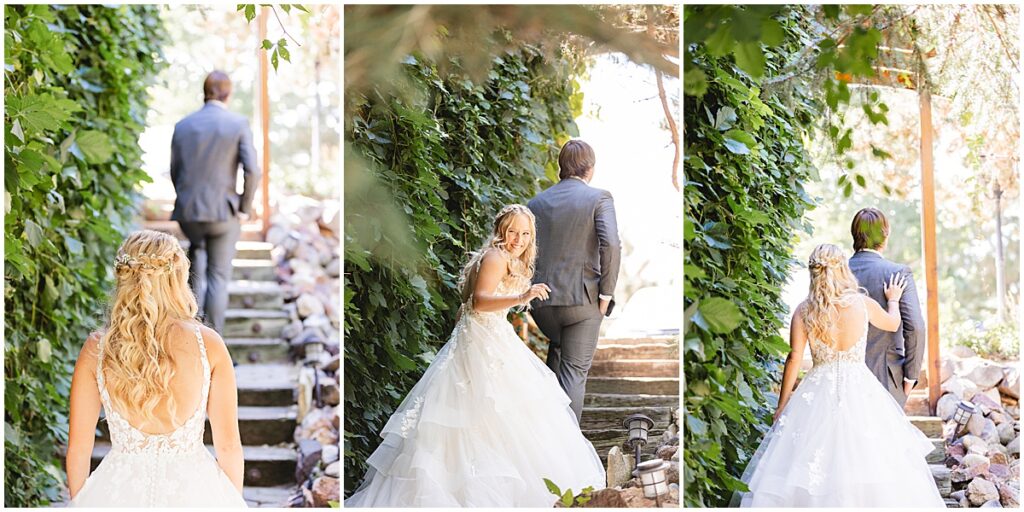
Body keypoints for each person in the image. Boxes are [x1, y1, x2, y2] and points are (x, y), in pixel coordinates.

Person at [346, 205, 605, 507]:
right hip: (482, 339)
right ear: (501, 231)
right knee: (478, 410)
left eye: (525, 233)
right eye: (512, 232)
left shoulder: (510, 259)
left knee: (506, 411)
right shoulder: (495, 256)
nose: (518, 239)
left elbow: (471, 306)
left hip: (491, 336)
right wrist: (523, 296)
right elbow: (480, 302)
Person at [734, 244, 943, 507]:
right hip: (861, 388)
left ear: (813, 273)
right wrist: (892, 300)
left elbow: (794, 359)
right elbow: (893, 324)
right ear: (843, 270)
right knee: (871, 460)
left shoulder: (804, 310)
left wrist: (782, 405)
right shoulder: (862, 303)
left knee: (807, 463)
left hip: (816, 391)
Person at [66, 230, 246, 507]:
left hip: (118, 493)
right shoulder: (208, 344)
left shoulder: (96, 349)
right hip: (195, 493)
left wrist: (80, 503)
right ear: (176, 277)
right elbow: (229, 445)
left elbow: (79, 449)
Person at [528, 139, 621, 422]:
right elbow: (612, 245)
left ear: (560, 168)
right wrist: (605, 294)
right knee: (574, 375)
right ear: (590, 168)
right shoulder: (599, 198)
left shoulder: (535, 203)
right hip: (582, 303)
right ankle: (567, 458)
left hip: (542, 305)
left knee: (556, 360)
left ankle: (544, 440)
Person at [170, 70, 261, 333]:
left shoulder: (183, 125)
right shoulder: (237, 123)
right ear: (228, 93)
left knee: (194, 273)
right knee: (218, 277)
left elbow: (176, 170)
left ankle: (190, 339)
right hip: (223, 214)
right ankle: (213, 346)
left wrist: (186, 200)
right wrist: (244, 208)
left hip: (189, 214)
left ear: (204, 92)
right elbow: (253, 170)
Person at [848, 207, 925, 408]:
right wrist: (910, 378)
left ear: (854, 235)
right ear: (885, 234)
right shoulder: (897, 273)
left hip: (842, 377)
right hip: (888, 377)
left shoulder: (838, 273)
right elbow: (915, 327)